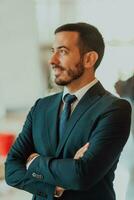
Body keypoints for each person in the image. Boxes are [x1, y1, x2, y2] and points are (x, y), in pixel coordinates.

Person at [5, 23, 131, 200]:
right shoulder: (41, 106)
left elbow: (82, 175)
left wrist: (33, 162)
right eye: (53, 51)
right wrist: (54, 187)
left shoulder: (114, 109)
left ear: (89, 59)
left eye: (63, 51)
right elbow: (11, 168)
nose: (52, 60)